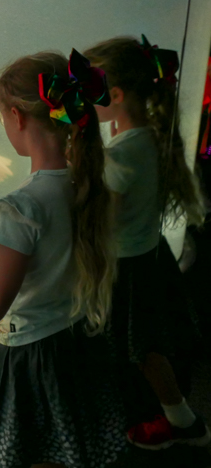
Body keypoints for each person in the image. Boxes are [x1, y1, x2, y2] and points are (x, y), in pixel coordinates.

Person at [0, 49, 127, 468]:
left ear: (16, 117)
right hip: (75, 342)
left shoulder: (23, 206)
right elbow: (57, 239)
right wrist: (5, 230)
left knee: (30, 448)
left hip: (31, 355)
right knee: (61, 443)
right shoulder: (85, 184)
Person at [82, 35, 210, 451]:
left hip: (129, 268)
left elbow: (102, 217)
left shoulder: (122, 155)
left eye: (89, 93)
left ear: (115, 95)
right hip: (150, 257)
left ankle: (182, 421)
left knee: (143, 351)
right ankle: (168, 414)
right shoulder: (149, 136)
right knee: (147, 346)